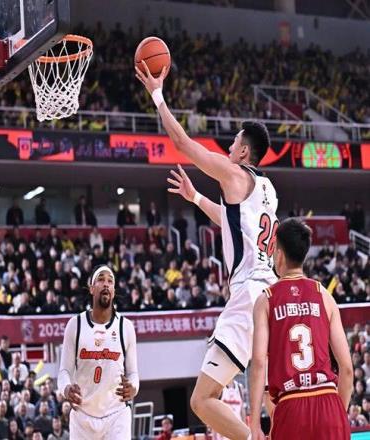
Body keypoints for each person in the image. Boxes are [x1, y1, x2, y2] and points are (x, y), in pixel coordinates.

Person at [136, 64, 277, 438]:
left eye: (233, 143)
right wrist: (196, 197)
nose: (228, 148)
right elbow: (232, 224)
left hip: (248, 296)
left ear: (243, 150)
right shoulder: (268, 189)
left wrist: (157, 94)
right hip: (270, 293)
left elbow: (182, 143)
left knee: (201, 400)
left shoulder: (235, 173)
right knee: (271, 395)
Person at [250, 219, 353, 440]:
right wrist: (339, 414)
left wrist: (255, 422)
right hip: (328, 401)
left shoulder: (266, 300)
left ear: (279, 255)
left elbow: (258, 362)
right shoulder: (324, 295)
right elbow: (347, 369)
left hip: (291, 405)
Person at [58, 265, 139, 439]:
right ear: (92, 288)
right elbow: (64, 371)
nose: (106, 284)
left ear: (114, 291)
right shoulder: (75, 325)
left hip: (116, 414)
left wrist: (133, 388)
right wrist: (66, 389)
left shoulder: (125, 327)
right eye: (101, 279)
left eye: (110, 281)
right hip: (82, 416)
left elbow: (133, 374)